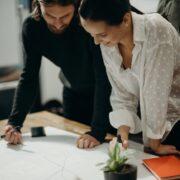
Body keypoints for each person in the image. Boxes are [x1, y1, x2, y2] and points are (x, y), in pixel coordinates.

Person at [4, 0, 115, 148]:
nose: (57, 23)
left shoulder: (88, 24)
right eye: (49, 15)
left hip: (107, 97)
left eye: (64, 16)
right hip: (73, 95)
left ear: (75, 6)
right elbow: (29, 77)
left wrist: (98, 132)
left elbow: (103, 78)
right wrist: (15, 122)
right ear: (38, 4)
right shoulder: (32, 27)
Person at [79, 0, 180, 155]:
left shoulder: (157, 30)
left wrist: (154, 144)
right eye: (92, 35)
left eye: (101, 34)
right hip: (154, 124)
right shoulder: (109, 43)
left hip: (175, 118)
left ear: (126, 20)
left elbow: (155, 94)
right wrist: (122, 134)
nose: (96, 41)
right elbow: (122, 93)